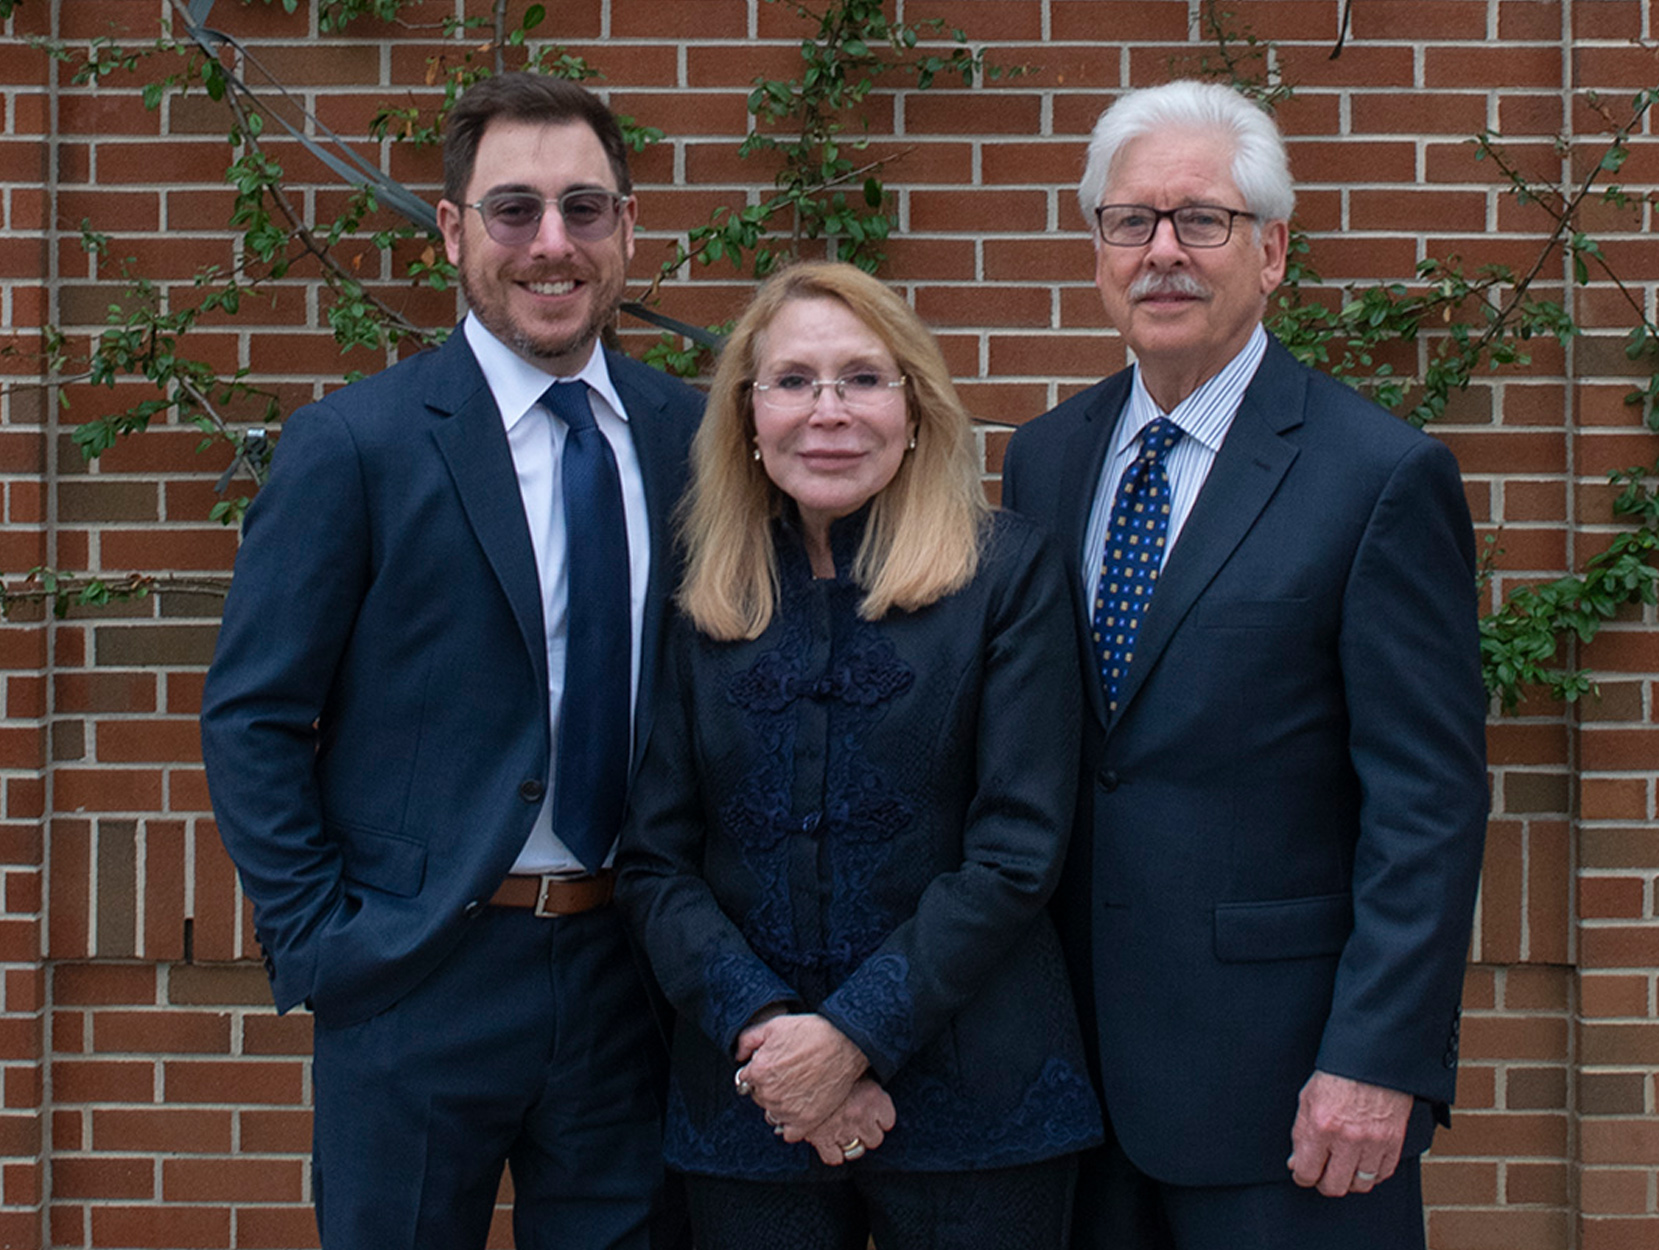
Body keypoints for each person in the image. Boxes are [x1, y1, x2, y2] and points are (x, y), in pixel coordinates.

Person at [198, 73, 703, 1250]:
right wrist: (330, 939)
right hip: (419, 975)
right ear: (452, 230)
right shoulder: (357, 444)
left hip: (628, 975)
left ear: (626, 228)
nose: (550, 243)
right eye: (512, 209)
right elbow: (254, 715)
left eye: (584, 208)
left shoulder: (689, 435)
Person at [1002, 80, 1489, 1250]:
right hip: (1070, 1088)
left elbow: (1428, 801)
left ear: (1271, 251)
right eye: (1132, 222)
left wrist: (1377, 1058)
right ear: (1099, 251)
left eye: (1201, 220)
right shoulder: (1046, 458)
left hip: (1290, 1098)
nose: (1162, 251)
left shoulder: (1378, 475)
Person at [614, 260, 1103, 1249]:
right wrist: (775, 1041)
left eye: (862, 379)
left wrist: (849, 1039)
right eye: (792, 380)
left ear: (916, 411)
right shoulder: (696, 592)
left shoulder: (1008, 572)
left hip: (978, 1097)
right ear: (748, 420)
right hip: (752, 1097)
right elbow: (656, 857)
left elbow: (1016, 847)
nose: (826, 409)